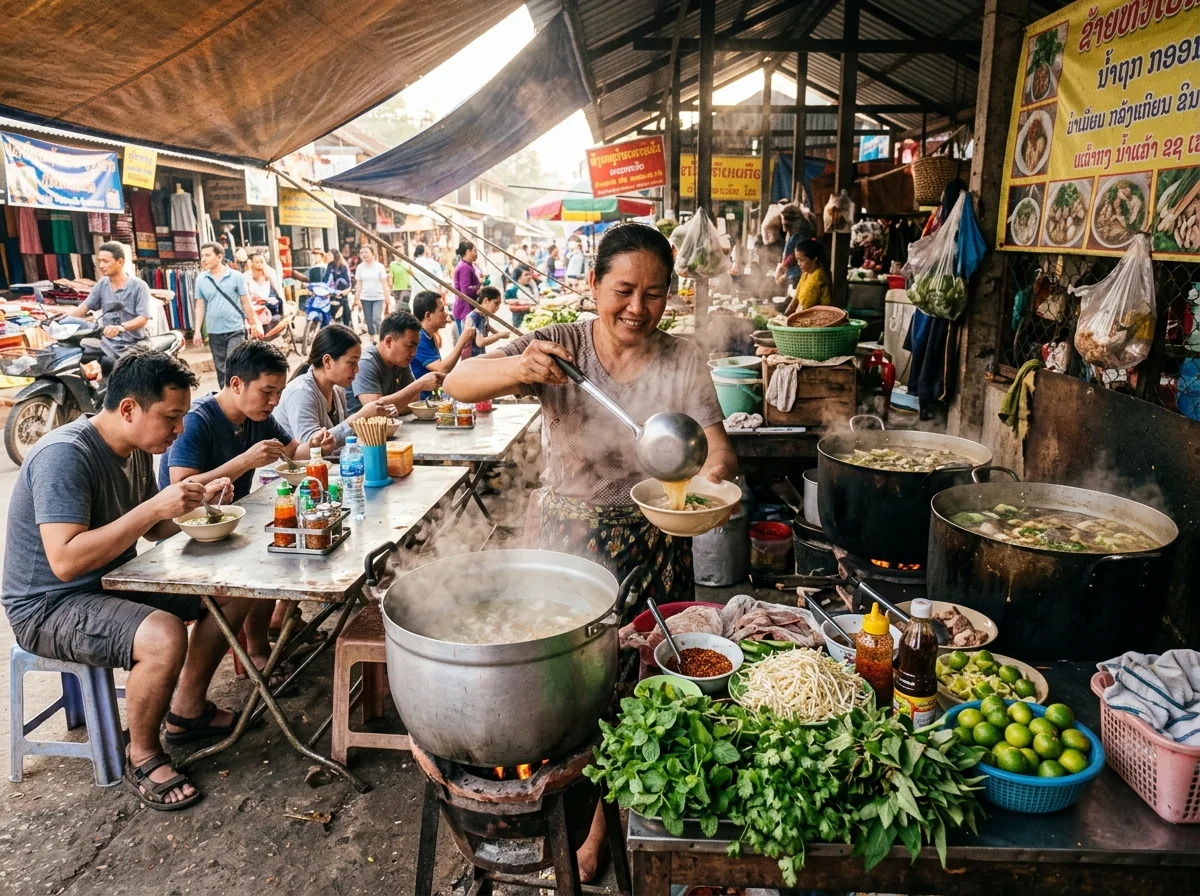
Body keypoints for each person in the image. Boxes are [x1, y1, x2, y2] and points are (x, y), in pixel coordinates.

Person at [445, 223, 737, 880]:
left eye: (655, 294)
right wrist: (520, 366)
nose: (639, 308)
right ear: (594, 286)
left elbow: (716, 449)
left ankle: (606, 825)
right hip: (565, 542)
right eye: (625, 290)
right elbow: (458, 382)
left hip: (655, 536)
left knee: (639, 690)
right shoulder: (562, 345)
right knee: (562, 690)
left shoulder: (684, 357)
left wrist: (711, 486)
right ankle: (548, 806)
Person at [2, 348, 244, 810]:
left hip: (110, 583)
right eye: (171, 418)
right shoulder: (65, 455)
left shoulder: (133, 447)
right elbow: (66, 562)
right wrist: (156, 507)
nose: (179, 430)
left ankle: (187, 711)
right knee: (163, 636)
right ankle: (143, 753)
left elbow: (153, 529)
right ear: (129, 408)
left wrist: (197, 504)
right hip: (48, 605)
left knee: (230, 594)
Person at [158, 341, 327, 684]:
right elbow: (180, 487)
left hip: (228, 528)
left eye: (278, 392)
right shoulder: (197, 421)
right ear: (236, 384)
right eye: (267, 391)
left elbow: (297, 453)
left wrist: (326, 442)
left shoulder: (259, 418)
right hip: (185, 538)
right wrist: (246, 461)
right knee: (268, 557)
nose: (274, 402)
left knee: (283, 541)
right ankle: (257, 649)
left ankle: (267, 634)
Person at [273, 324, 392, 455]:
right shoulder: (301, 393)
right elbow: (315, 447)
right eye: (352, 362)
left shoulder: (337, 389)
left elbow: (345, 441)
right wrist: (360, 417)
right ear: (327, 361)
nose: (357, 369)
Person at [66, 241, 152, 375]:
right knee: (75, 354)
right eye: (99, 261)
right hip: (108, 343)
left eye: (105, 261)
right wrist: (63, 321)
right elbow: (84, 307)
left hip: (134, 343)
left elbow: (143, 318)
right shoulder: (102, 284)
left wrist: (121, 328)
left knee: (127, 373)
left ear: (120, 262)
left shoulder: (139, 286)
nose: (101, 265)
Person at [193, 241, 262, 388]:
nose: (203, 259)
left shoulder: (236, 276)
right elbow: (200, 305)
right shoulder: (201, 279)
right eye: (202, 256)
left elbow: (246, 302)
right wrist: (197, 331)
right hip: (214, 330)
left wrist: (254, 323)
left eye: (207, 255)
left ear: (219, 257)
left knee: (234, 364)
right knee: (220, 369)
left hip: (235, 328)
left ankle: (240, 397)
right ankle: (225, 401)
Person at [347, 311, 441, 414]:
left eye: (415, 347)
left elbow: (414, 400)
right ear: (389, 341)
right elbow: (375, 409)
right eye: (410, 346)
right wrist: (420, 384)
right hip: (360, 429)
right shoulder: (365, 363)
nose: (414, 353)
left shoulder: (400, 362)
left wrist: (394, 405)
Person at [411, 290, 476, 399]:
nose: (446, 314)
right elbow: (441, 369)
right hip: (421, 400)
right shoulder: (419, 338)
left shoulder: (429, 335)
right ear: (428, 315)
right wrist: (463, 340)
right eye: (441, 310)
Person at [782, 239, 834, 315]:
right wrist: (785, 315)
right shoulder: (807, 273)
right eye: (797, 260)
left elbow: (803, 310)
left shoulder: (817, 278)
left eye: (801, 260)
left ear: (814, 259)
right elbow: (796, 298)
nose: (799, 264)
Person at [353, 244, 390, 342]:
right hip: (365, 297)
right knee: (368, 320)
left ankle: (381, 336)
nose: (364, 254)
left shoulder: (379, 267)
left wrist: (387, 297)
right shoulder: (360, 268)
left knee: (376, 318)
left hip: (378, 297)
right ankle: (372, 336)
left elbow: (384, 283)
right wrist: (357, 298)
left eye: (366, 252)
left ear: (373, 254)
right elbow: (359, 284)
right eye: (361, 253)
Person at [245, 251, 284, 331]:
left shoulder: (270, 273)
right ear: (252, 263)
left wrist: (284, 304)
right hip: (253, 305)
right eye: (257, 262)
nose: (260, 264)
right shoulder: (246, 276)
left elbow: (278, 290)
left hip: (268, 304)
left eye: (261, 261)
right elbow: (245, 294)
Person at [467, 287, 509, 359]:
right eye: (496, 303)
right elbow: (480, 342)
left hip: (479, 355)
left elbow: (487, 327)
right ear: (486, 300)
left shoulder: (484, 314)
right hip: (471, 358)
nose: (497, 307)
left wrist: (498, 333)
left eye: (499, 304)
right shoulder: (475, 316)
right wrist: (499, 335)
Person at [452, 241, 481, 336]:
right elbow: (465, 290)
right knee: (467, 344)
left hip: (466, 309)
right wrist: (478, 288)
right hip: (464, 310)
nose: (476, 254)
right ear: (468, 252)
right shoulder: (464, 267)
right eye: (474, 251)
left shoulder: (467, 266)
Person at [324, 249, 352, 327]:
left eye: (329, 255)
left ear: (335, 256)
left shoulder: (343, 267)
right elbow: (325, 279)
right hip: (331, 293)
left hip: (341, 293)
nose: (327, 256)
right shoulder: (329, 266)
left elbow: (347, 282)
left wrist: (344, 291)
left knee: (345, 308)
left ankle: (347, 326)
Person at [505, 265, 538, 329]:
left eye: (529, 274)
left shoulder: (530, 285)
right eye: (526, 275)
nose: (529, 277)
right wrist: (528, 305)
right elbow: (509, 304)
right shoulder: (513, 288)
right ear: (519, 277)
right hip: (520, 320)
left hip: (532, 318)